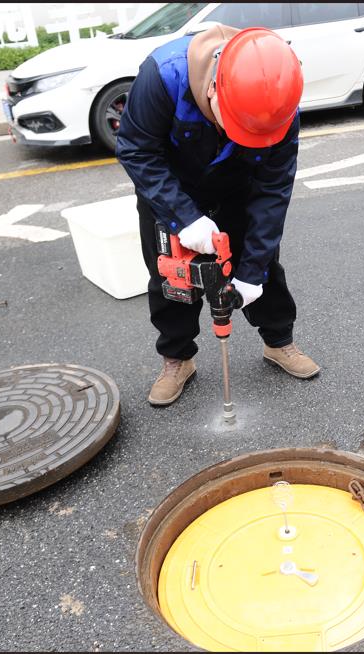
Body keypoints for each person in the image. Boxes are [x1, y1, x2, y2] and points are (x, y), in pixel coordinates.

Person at [116, 24, 320, 406]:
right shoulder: (163, 76)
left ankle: (279, 342)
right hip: (170, 188)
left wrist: (251, 274)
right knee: (170, 275)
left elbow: (273, 191)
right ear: (212, 91)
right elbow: (136, 150)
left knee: (262, 267)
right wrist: (184, 218)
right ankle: (177, 358)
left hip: (236, 183)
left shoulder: (280, 99)